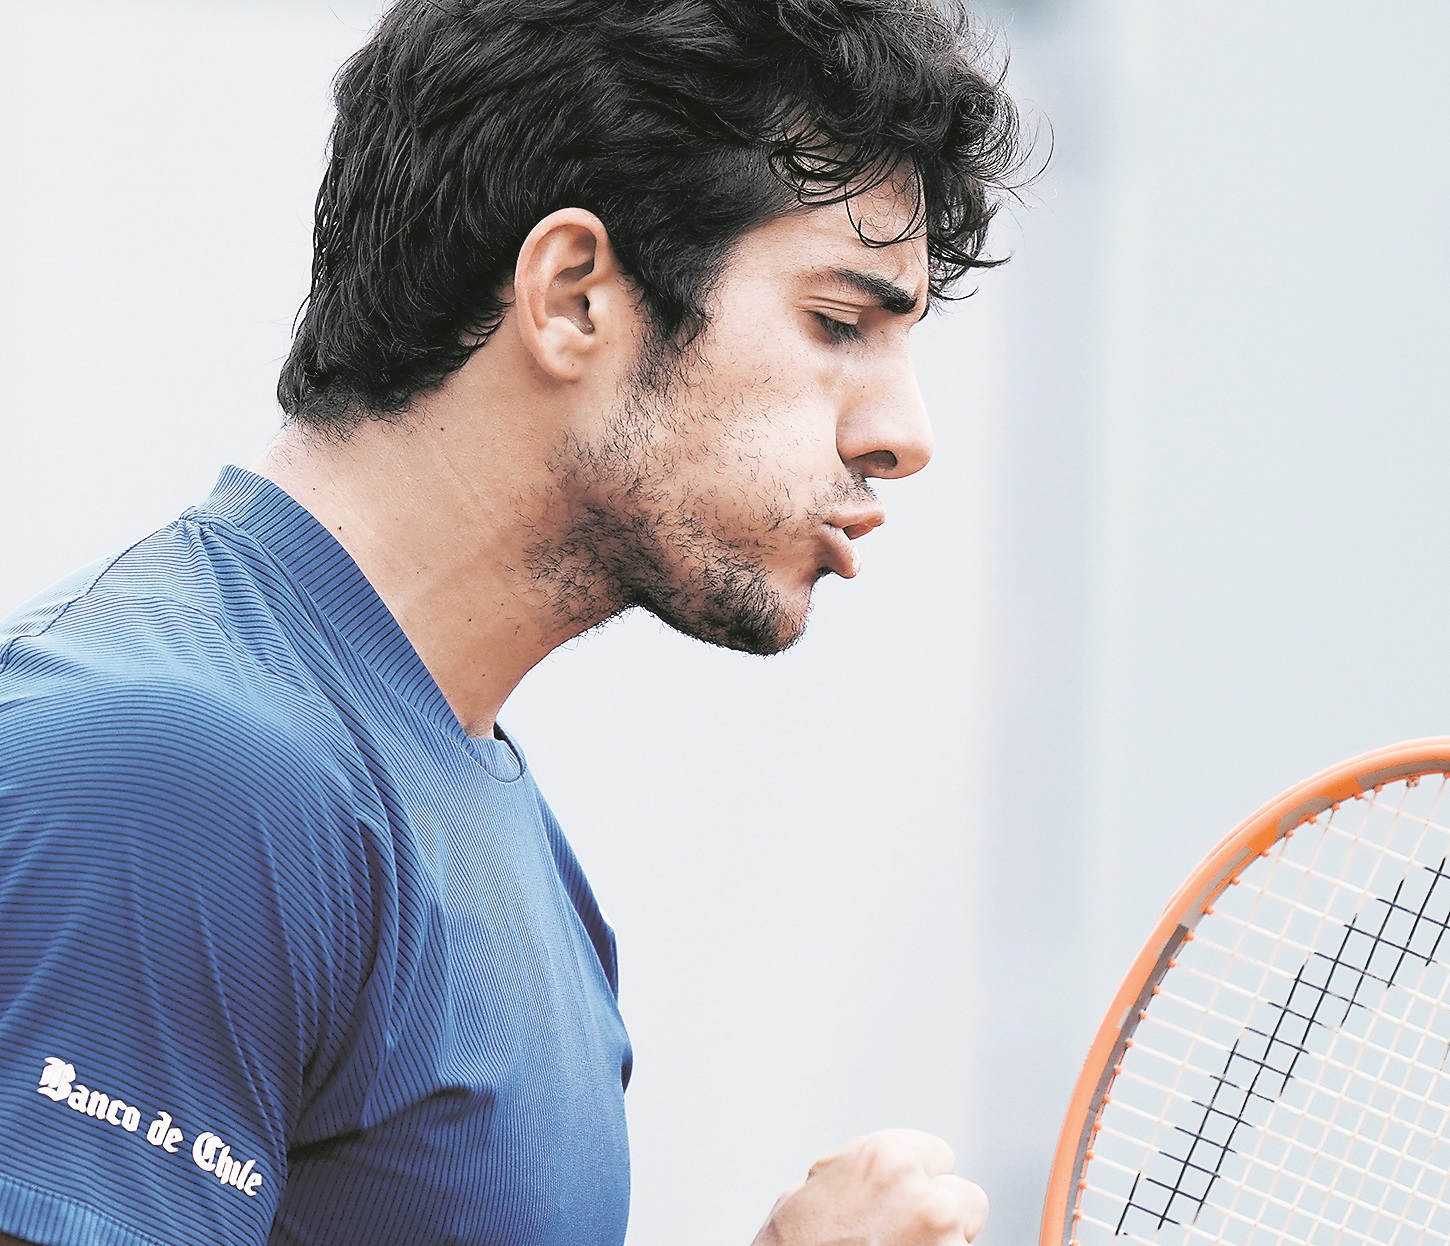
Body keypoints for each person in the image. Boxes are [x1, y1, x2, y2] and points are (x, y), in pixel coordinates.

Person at [0, 0, 1024, 1242]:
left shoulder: (509, 839)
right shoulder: (175, 775)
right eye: (838, 323)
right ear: (574, 296)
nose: (902, 435)